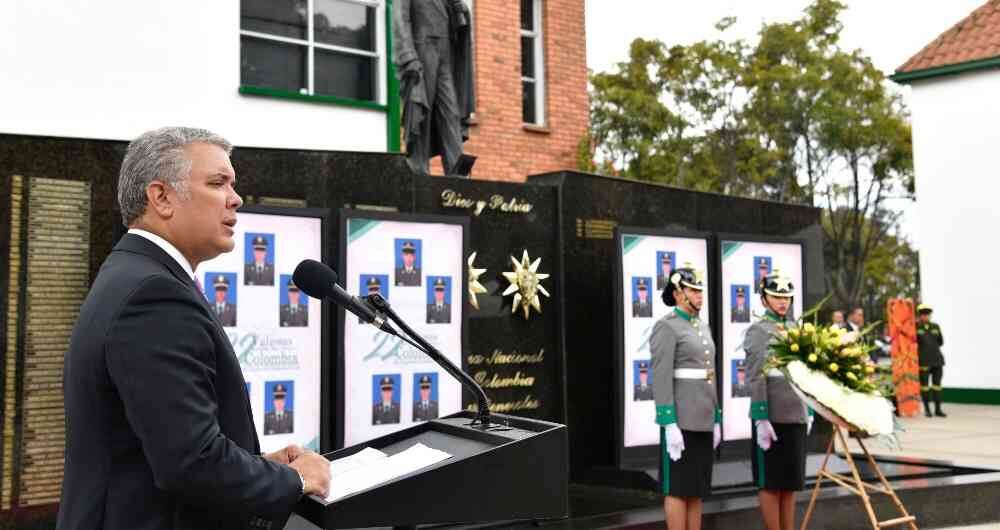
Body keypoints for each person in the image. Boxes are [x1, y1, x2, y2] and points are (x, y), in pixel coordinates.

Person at [59, 127, 330, 530]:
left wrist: (256, 467)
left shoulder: (137, 273)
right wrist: (295, 479)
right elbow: (191, 462)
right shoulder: (154, 294)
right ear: (161, 197)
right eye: (218, 182)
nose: (236, 198)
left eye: (233, 184)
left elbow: (161, 446)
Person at [651, 265, 721, 530]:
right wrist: (668, 422)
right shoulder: (666, 327)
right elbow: (661, 377)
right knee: (678, 488)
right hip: (680, 419)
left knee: (696, 488)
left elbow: (709, 375)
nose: (700, 295)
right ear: (679, 293)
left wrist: (716, 417)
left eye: (700, 290)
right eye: (694, 290)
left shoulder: (702, 326)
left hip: (702, 417)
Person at [744, 270, 812, 530]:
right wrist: (760, 416)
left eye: (787, 297)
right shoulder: (758, 330)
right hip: (771, 415)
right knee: (771, 482)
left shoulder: (797, 329)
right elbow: (756, 374)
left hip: (795, 411)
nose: (783, 302)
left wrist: (811, 409)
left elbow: (807, 373)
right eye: (776, 296)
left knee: (790, 482)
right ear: (764, 300)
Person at [393, 0, 474, 176]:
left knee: (451, 111)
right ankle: (419, 169)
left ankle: (457, 171)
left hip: (446, 51)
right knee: (423, 109)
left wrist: (461, 10)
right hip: (423, 48)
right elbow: (400, 19)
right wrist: (408, 55)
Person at [916, 304, 946, 417]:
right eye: (923, 314)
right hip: (923, 361)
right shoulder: (916, 327)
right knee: (924, 386)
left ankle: (938, 409)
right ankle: (927, 410)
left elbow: (941, 342)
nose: (926, 316)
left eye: (928, 314)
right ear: (920, 315)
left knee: (937, 385)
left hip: (937, 360)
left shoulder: (935, 326)